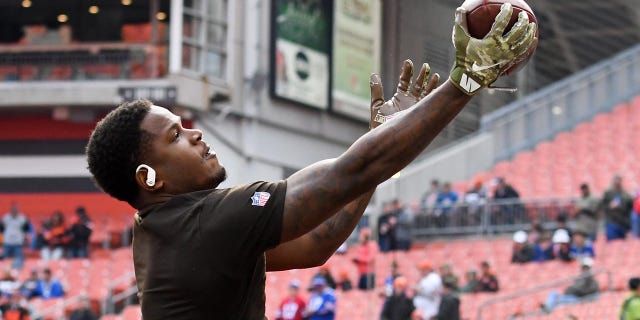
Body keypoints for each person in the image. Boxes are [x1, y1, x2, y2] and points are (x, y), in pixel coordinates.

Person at [83, 4, 537, 317]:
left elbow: (315, 244)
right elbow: (349, 173)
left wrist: (381, 145)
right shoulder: (207, 222)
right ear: (150, 176)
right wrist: (465, 81)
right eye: (176, 136)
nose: (196, 133)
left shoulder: (168, 229)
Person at [601, 175, 633, 241]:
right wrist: (609, 206)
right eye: (616, 180)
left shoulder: (626, 194)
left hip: (622, 223)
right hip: (611, 222)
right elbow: (602, 207)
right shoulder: (608, 193)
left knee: (623, 247)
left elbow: (630, 208)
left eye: (618, 180)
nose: (617, 182)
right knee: (611, 246)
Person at [0, 203, 30, 269]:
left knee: (18, 258)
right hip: (7, 242)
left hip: (18, 242)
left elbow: (26, 229)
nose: (14, 212)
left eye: (15, 210)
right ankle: (3, 271)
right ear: (10, 211)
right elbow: (1, 229)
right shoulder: (5, 218)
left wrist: (24, 239)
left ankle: (18, 271)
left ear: (18, 211)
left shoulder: (22, 218)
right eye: (13, 210)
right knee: (5, 258)